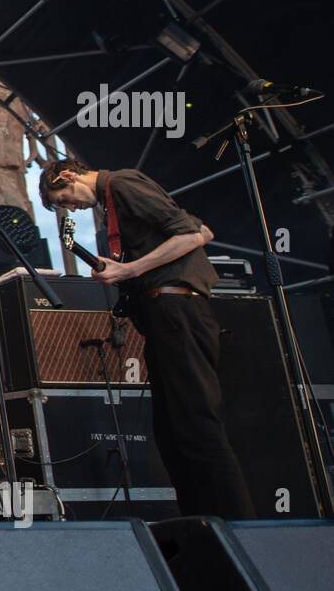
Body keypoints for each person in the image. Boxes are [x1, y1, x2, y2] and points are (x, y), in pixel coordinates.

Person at [38, 158, 255, 518]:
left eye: (63, 198)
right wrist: (124, 270)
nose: (69, 207)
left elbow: (193, 233)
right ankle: (201, 521)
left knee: (197, 422)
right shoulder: (113, 201)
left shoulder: (122, 184)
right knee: (173, 431)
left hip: (178, 309)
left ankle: (237, 525)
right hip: (163, 314)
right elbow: (189, 229)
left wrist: (131, 268)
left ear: (70, 176)